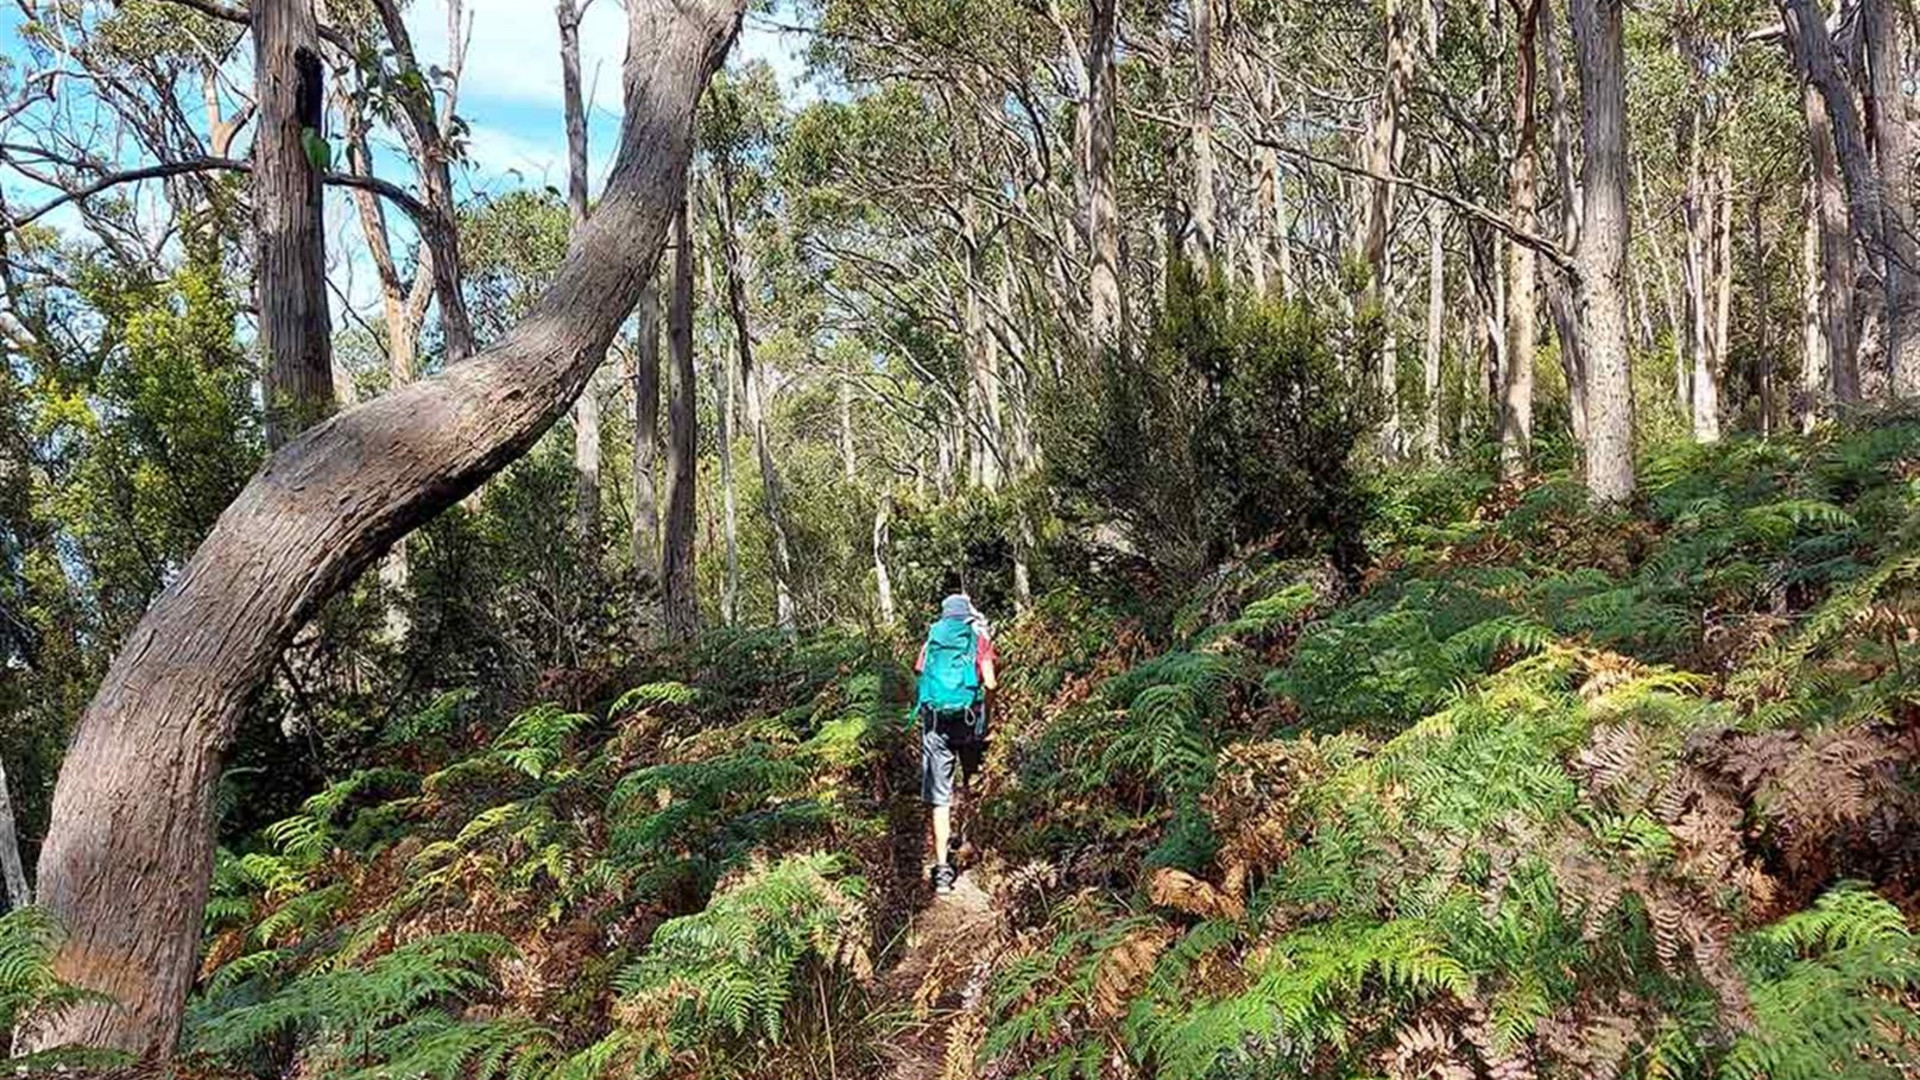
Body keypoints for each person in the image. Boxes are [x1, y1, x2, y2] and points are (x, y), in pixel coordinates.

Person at [914, 588, 997, 895]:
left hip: (936, 726)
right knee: (972, 781)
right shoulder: (978, 639)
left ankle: (942, 871)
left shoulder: (932, 640)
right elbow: (990, 682)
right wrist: (989, 712)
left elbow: (919, 671)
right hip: (970, 722)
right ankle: (967, 840)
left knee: (940, 797)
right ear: (968, 616)